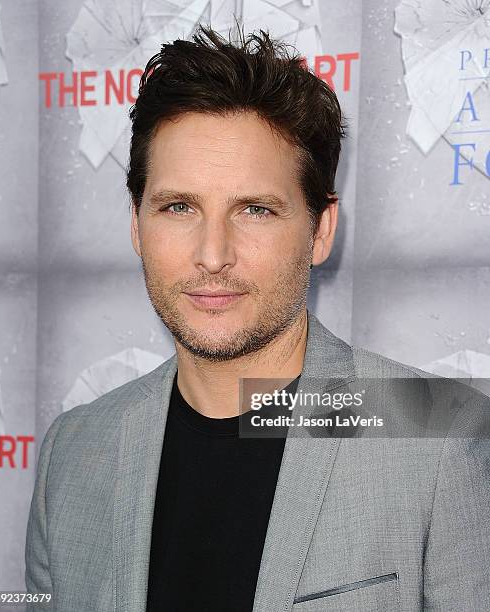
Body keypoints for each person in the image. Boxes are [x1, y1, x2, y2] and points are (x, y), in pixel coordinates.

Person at [25, 23, 490, 612]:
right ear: (137, 224)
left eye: (255, 210)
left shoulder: (442, 437)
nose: (213, 255)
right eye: (178, 207)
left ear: (320, 230)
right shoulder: (75, 450)